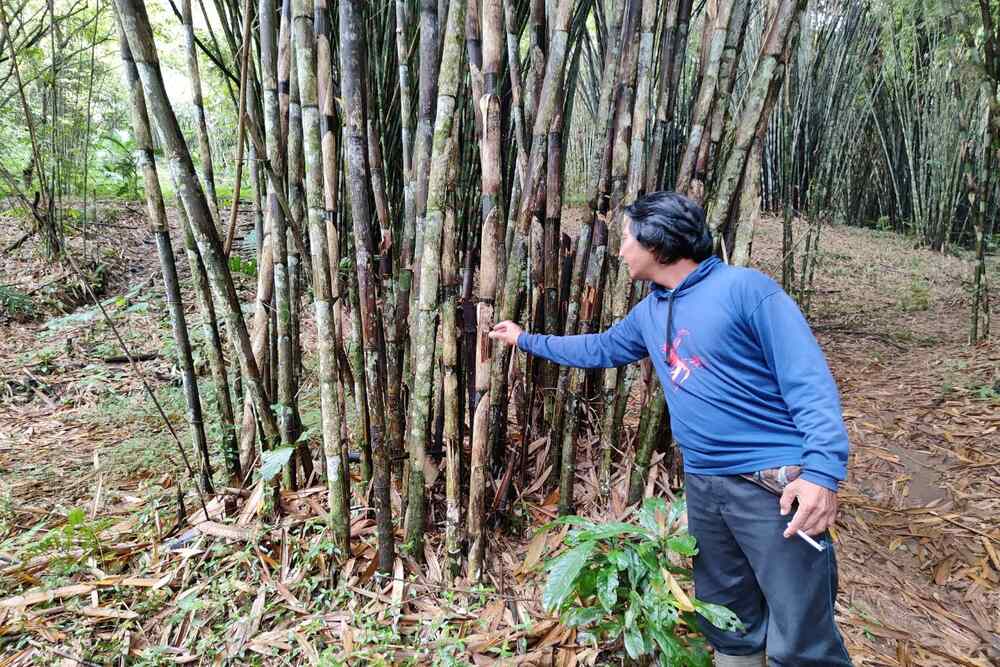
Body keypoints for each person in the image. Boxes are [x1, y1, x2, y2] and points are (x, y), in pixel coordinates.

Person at [488, 191, 853, 667]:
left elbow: (808, 381)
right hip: (705, 484)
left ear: (657, 245)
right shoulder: (651, 311)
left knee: (802, 631)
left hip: (772, 486)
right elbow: (598, 350)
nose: (620, 251)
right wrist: (525, 339)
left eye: (626, 240)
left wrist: (822, 473)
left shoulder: (747, 291)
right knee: (729, 614)